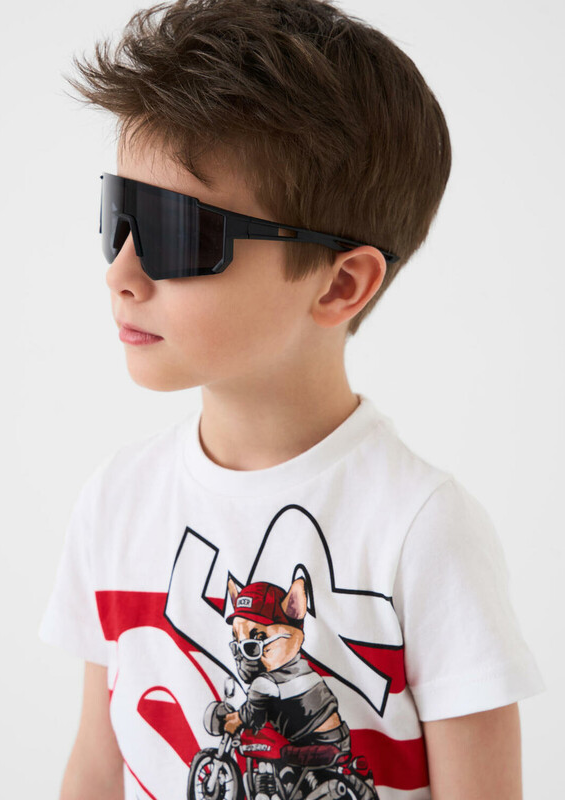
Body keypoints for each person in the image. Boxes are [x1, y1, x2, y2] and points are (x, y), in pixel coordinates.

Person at [39, 1, 544, 798]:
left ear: (340, 284)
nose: (121, 273)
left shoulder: (421, 530)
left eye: (176, 233)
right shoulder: (117, 503)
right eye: (119, 219)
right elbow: (96, 768)